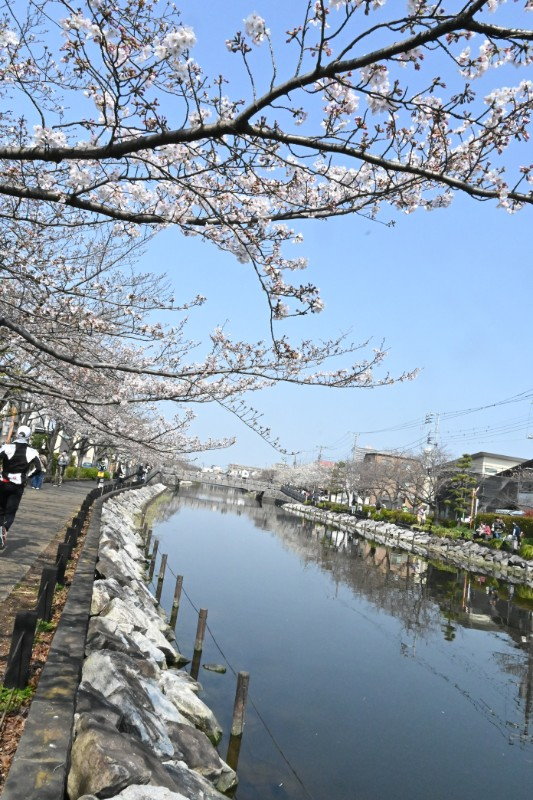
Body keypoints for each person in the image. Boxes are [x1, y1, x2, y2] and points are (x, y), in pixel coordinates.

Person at [0, 425, 42, 550]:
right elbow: (39, 469)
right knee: (11, 511)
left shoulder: (7, 447)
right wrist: (27, 477)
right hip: (18, 485)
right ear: (29, 436)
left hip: (3, 482)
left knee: (1, 509)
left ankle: (0, 528)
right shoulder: (32, 451)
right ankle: (4, 528)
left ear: (17, 433)